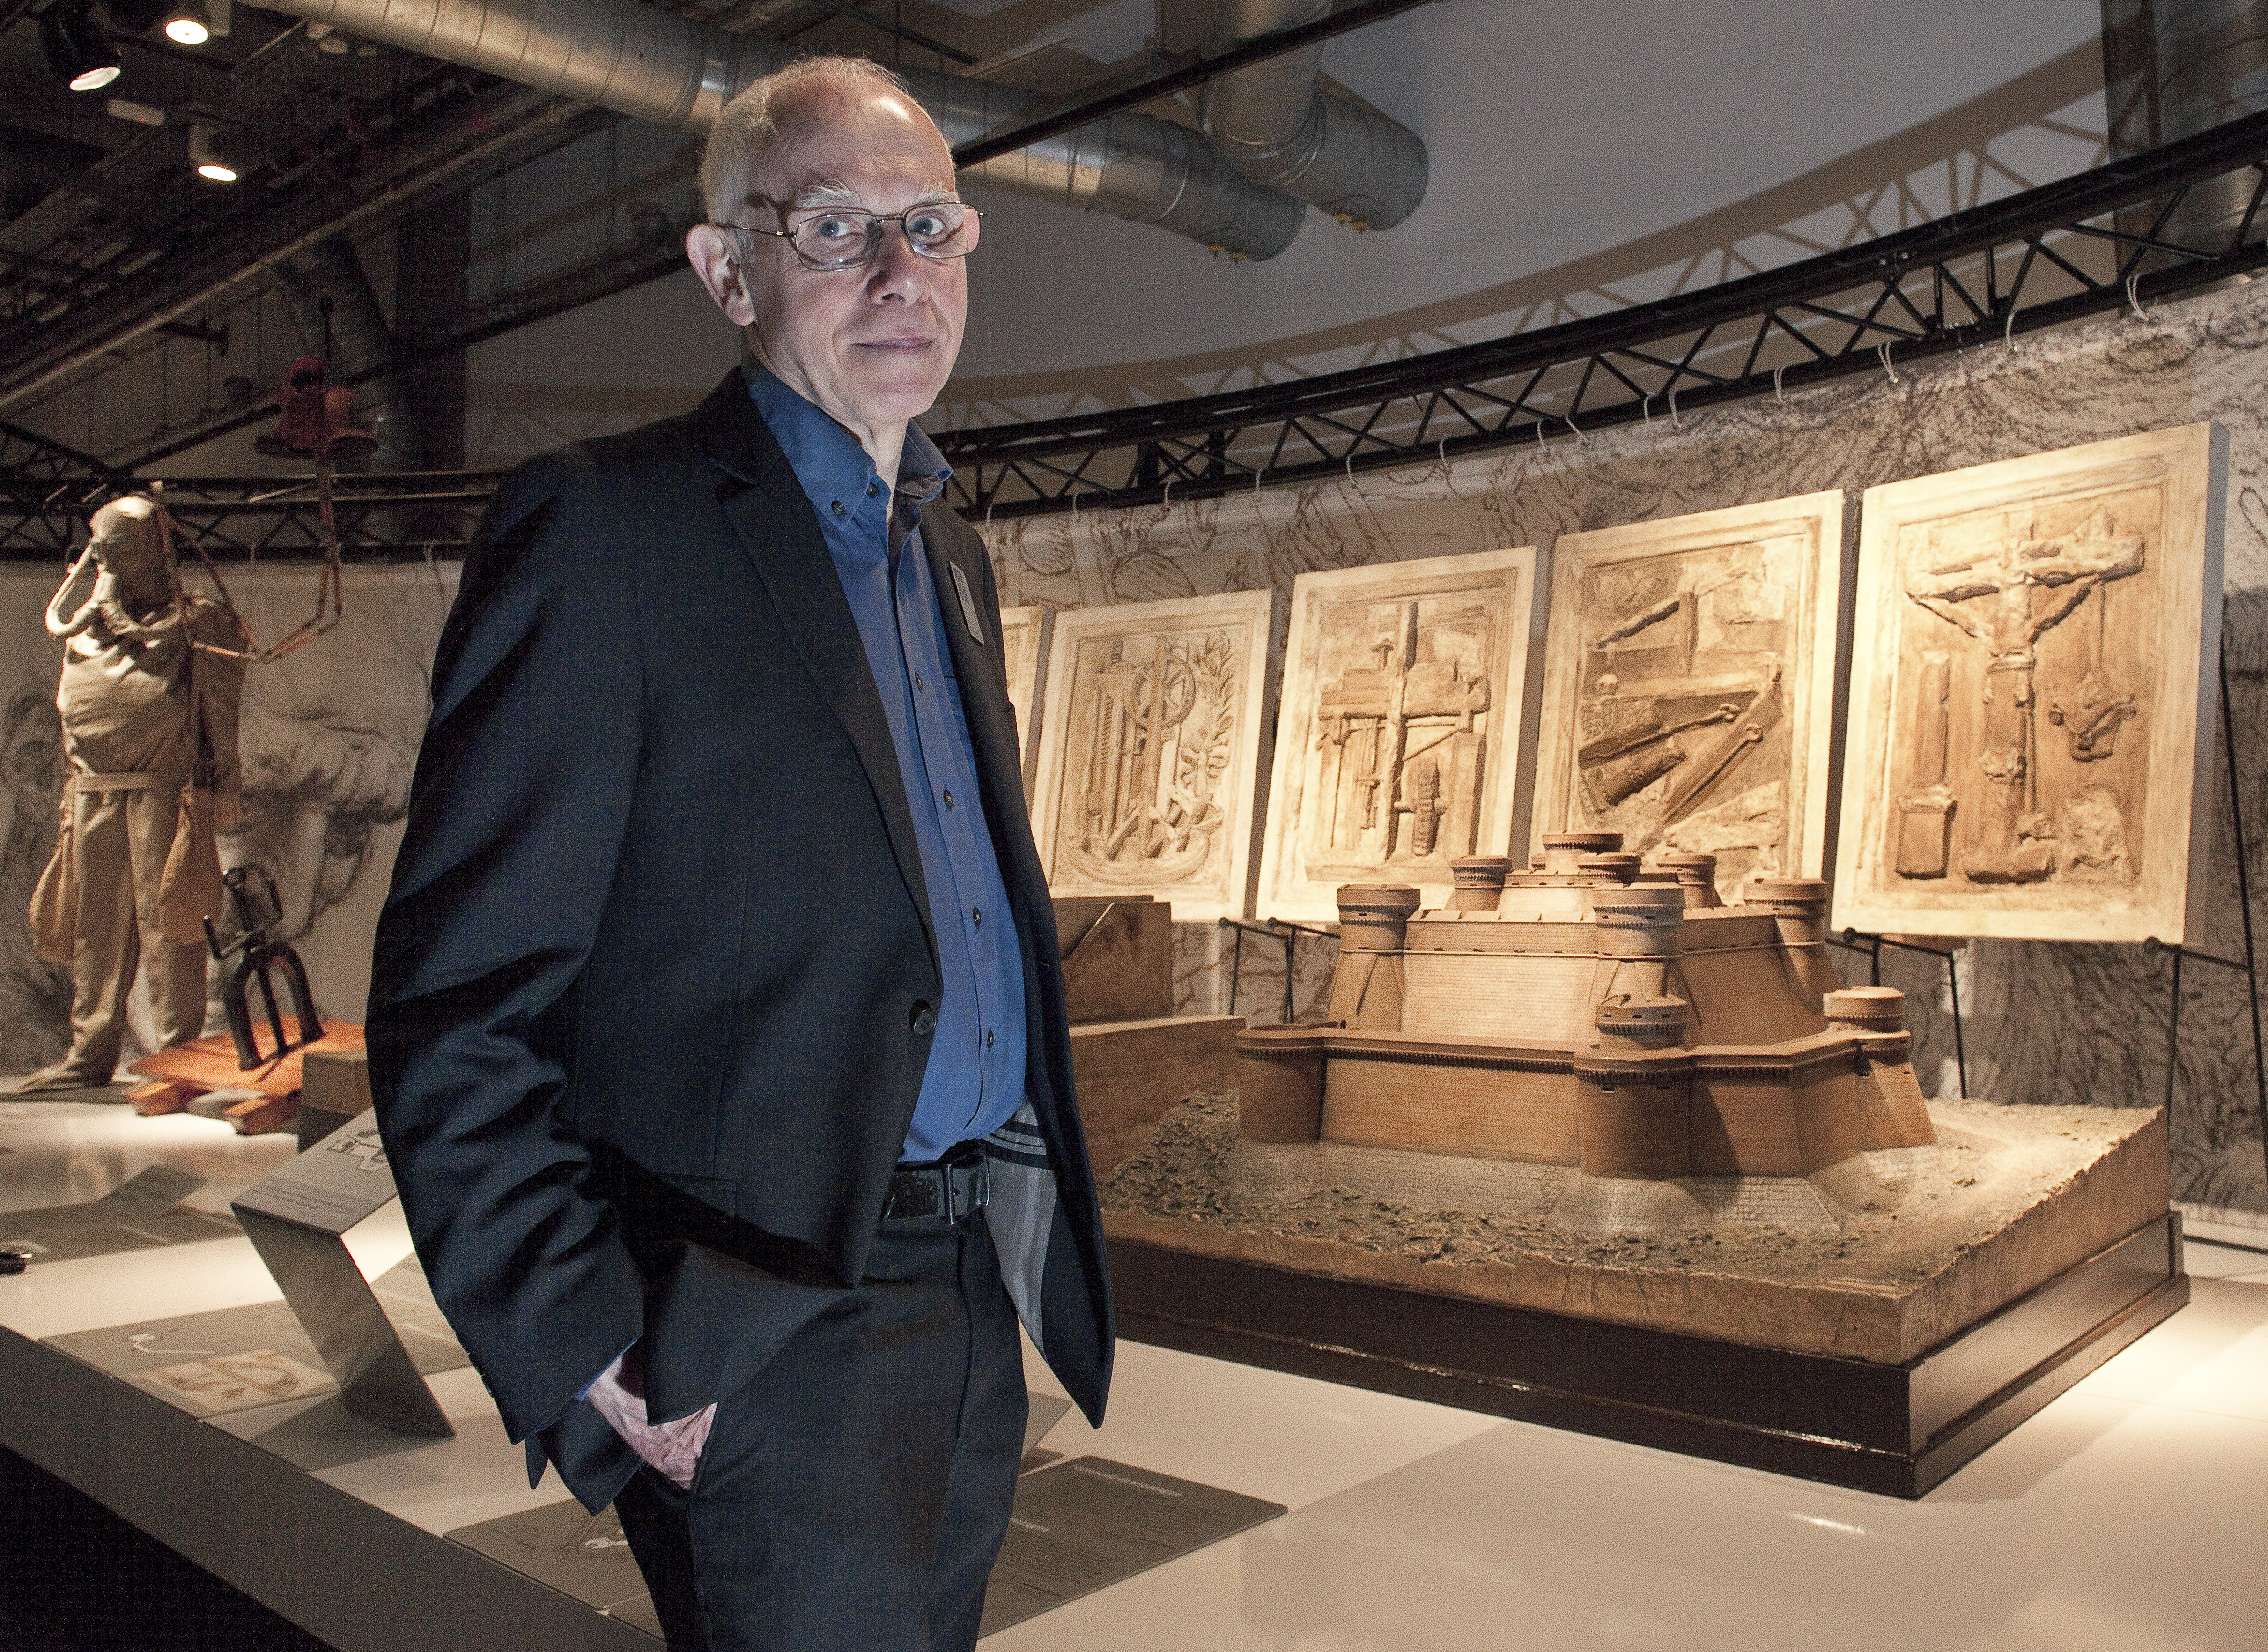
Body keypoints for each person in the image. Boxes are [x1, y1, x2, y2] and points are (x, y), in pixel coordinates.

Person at [365, 56, 1112, 1652]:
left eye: (931, 224)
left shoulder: (949, 550)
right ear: (726, 271)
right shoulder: (608, 531)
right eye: (836, 228)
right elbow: (457, 1004)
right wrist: (601, 1352)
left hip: (967, 1281)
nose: (901, 273)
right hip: (759, 1317)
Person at [20, 495, 243, 1093]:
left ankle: (179, 1056)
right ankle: (89, 1053)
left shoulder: (197, 624)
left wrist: (226, 783)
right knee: (96, 928)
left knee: (170, 925)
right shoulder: (85, 631)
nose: (112, 558)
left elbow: (221, 707)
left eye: (124, 544)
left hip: (165, 793)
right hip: (93, 791)